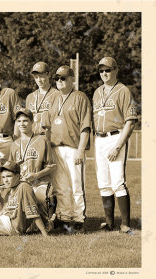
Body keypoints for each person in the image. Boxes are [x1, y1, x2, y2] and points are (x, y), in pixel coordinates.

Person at [92, 57, 139, 234]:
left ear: (116, 70)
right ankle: (109, 222)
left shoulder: (123, 90)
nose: (104, 73)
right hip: (99, 138)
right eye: (101, 71)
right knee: (103, 183)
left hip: (115, 137)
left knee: (118, 181)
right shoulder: (97, 92)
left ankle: (125, 223)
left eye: (108, 70)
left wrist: (118, 146)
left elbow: (131, 121)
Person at [43, 65, 92, 234]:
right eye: (57, 78)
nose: (59, 81)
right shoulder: (54, 98)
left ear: (72, 79)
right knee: (61, 186)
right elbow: (47, 127)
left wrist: (80, 149)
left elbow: (85, 127)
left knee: (76, 185)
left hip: (73, 148)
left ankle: (79, 219)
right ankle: (65, 217)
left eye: (63, 78)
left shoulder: (80, 97)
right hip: (56, 148)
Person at [0, 161, 48, 237]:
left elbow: (33, 212)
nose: (5, 180)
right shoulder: (8, 187)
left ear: (18, 176)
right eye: (3, 177)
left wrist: (45, 234)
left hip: (11, 225)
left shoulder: (24, 187)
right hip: (3, 218)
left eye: (9, 176)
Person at [9, 108, 56, 230]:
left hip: (40, 182)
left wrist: (36, 175)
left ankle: (48, 221)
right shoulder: (14, 144)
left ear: (32, 122)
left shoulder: (42, 140)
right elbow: (12, 170)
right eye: (19, 121)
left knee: (39, 198)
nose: (22, 124)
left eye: (25, 121)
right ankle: (30, 225)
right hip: (23, 185)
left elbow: (52, 166)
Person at [25, 61, 59, 138]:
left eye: (41, 76)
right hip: (32, 138)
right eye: (36, 77)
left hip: (49, 138)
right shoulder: (30, 97)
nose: (39, 80)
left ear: (48, 75)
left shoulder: (57, 95)